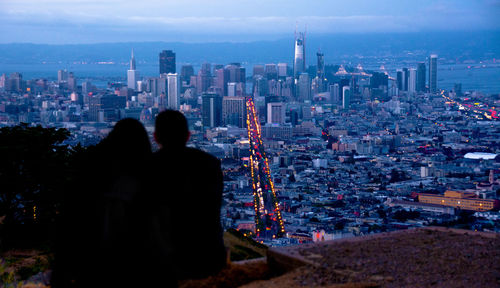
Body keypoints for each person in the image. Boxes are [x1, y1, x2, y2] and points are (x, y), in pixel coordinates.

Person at [51, 118, 153, 287]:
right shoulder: (148, 185)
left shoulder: (85, 182)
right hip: (135, 271)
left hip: (92, 268)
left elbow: (66, 232)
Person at [149, 110, 227, 283]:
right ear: (188, 136)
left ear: (155, 137)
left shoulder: (146, 168)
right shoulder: (210, 164)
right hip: (207, 257)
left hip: (160, 263)